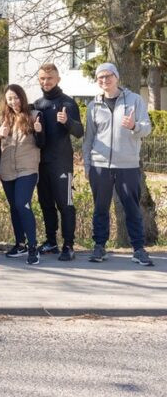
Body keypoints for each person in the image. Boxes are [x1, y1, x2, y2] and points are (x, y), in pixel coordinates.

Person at [82, 63, 154, 267]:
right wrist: (87, 165)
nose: (104, 80)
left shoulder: (135, 100)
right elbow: (88, 138)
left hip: (127, 165)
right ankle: (99, 246)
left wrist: (134, 126)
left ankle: (138, 249)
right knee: (100, 208)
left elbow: (147, 128)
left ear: (117, 77)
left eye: (108, 76)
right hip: (100, 166)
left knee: (132, 208)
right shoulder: (93, 106)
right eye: (100, 77)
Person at [32, 62, 84, 260]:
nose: (46, 82)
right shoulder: (37, 105)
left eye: (49, 78)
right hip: (41, 163)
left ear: (58, 79)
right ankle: (51, 242)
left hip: (61, 163)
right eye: (42, 79)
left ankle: (68, 245)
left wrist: (67, 121)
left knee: (65, 204)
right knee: (46, 204)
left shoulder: (67, 103)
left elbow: (79, 132)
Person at [0, 84, 45, 265]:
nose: (13, 101)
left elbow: (42, 143)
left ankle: (33, 247)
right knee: (14, 207)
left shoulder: (35, 115)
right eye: (10, 99)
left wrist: (39, 131)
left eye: (16, 97)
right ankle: (20, 244)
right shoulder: (4, 119)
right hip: (7, 169)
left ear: (22, 97)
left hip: (27, 168)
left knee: (23, 204)